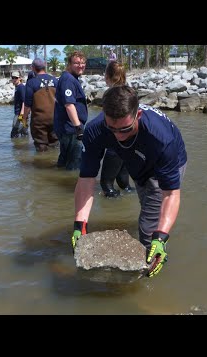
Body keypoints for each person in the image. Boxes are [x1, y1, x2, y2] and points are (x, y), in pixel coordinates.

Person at [71, 85, 187, 278]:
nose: (119, 135)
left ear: (138, 115)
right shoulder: (95, 131)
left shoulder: (162, 139)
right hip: (137, 159)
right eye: (112, 129)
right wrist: (79, 225)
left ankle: (153, 271)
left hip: (164, 162)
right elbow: (86, 180)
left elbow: (171, 194)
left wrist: (162, 236)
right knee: (147, 203)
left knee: (150, 229)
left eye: (125, 128)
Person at [100, 61, 134, 198]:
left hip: (115, 145)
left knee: (106, 184)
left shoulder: (110, 95)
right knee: (123, 182)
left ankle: (114, 214)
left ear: (107, 76)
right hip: (130, 143)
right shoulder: (130, 91)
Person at [53, 51, 88, 170]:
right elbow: (69, 105)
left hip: (67, 127)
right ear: (69, 64)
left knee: (65, 159)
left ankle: (58, 183)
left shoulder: (70, 78)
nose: (81, 65)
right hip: (71, 128)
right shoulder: (68, 79)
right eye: (77, 63)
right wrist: (78, 128)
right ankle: (70, 186)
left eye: (83, 63)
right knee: (74, 163)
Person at [22, 58, 59, 152]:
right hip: (55, 119)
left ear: (33, 68)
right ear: (44, 66)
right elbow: (61, 101)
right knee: (55, 145)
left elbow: (27, 105)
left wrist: (24, 118)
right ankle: (54, 164)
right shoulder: (55, 80)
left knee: (41, 146)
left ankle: (41, 164)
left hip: (39, 121)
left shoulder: (31, 83)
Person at [10, 71, 28, 138]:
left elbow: (24, 101)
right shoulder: (17, 87)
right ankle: (24, 146)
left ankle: (17, 146)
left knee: (14, 132)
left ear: (19, 78)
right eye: (13, 78)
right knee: (24, 131)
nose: (14, 79)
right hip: (19, 113)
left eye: (16, 78)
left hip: (20, 114)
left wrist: (22, 113)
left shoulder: (21, 87)